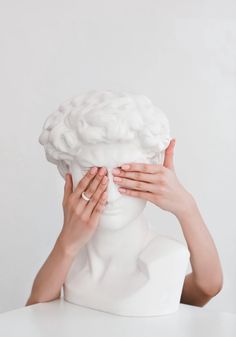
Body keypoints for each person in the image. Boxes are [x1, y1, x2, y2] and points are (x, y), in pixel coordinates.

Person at [25, 92, 223, 308]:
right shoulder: (70, 258)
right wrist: (67, 244)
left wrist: (186, 207)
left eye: (124, 172)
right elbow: (36, 314)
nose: (110, 195)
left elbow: (206, 288)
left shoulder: (165, 258)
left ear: (154, 170)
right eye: (92, 172)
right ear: (66, 170)